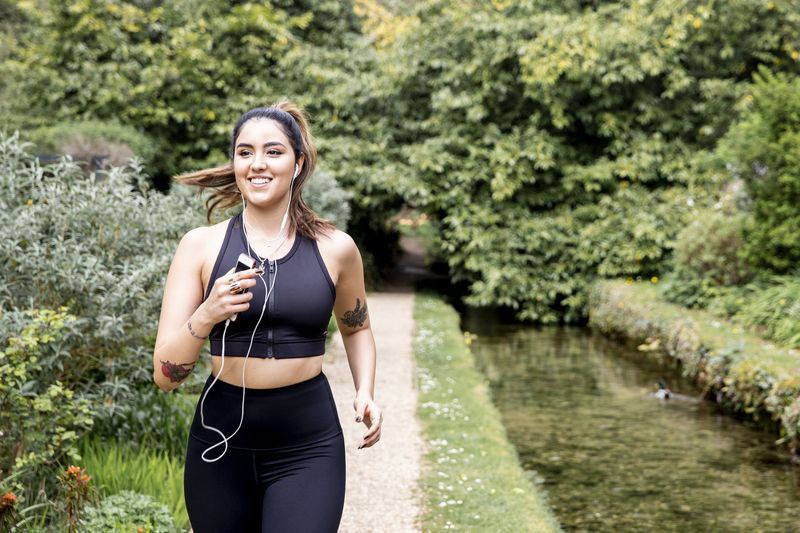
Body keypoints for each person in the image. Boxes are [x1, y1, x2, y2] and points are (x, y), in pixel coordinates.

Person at [152, 102, 382, 533]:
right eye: (245, 152)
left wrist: (365, 390)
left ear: (298, 163)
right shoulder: (199, 247)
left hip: (307, 445)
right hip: (219, 443)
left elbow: (358, 327)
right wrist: (207, 314)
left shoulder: (336, 248)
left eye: (273, 152)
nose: (257, 163)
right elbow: (166, 376)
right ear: (235, 163)